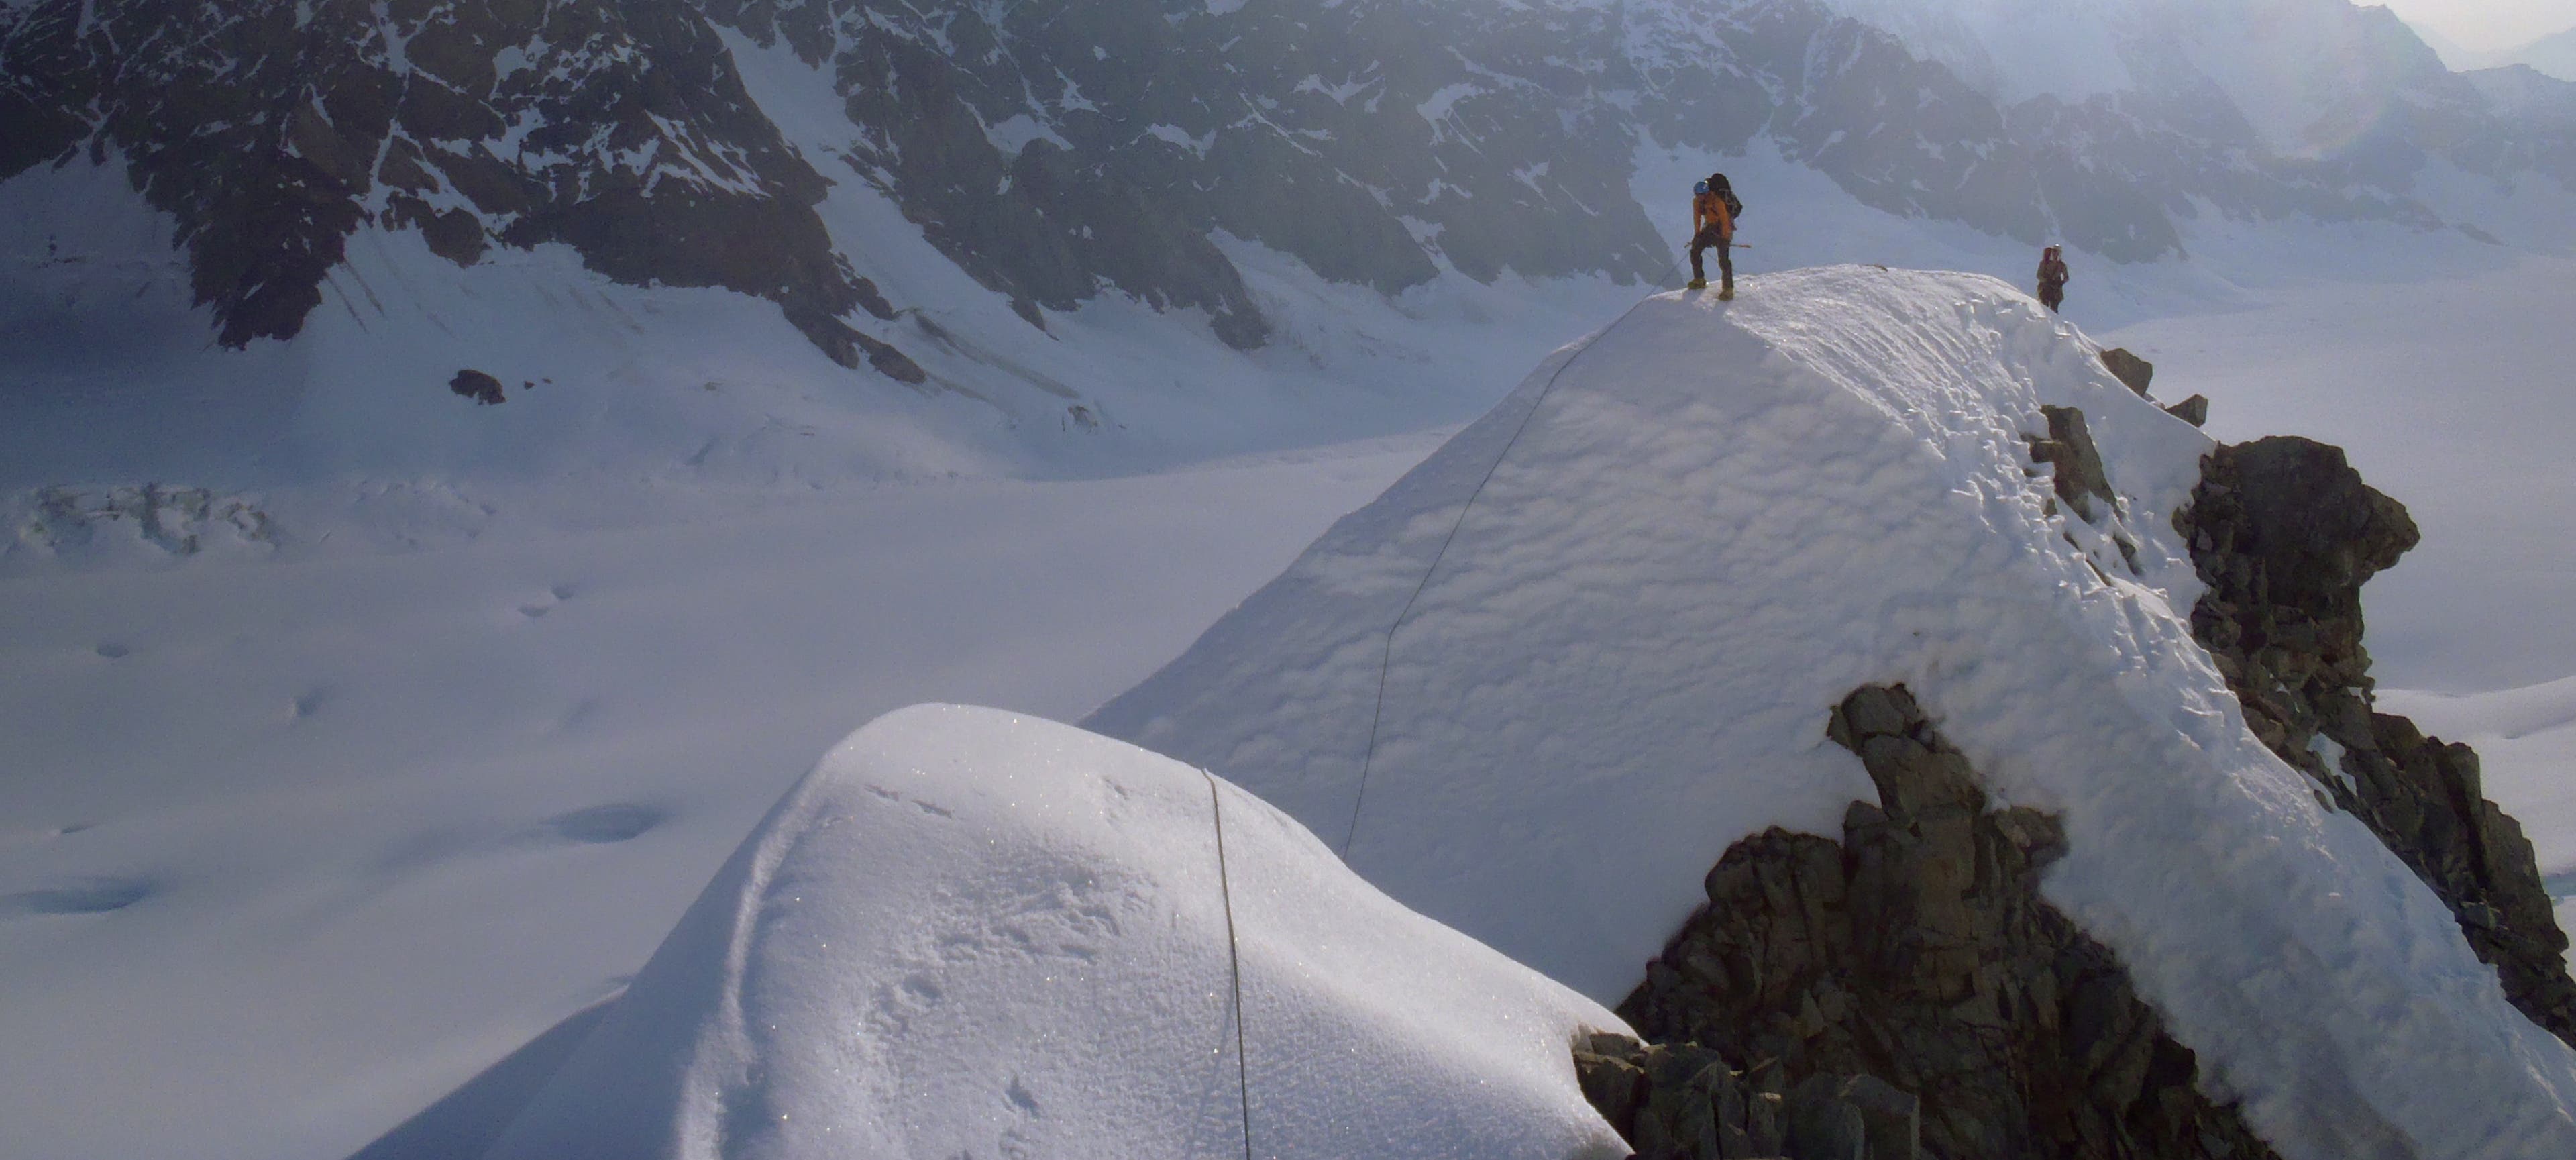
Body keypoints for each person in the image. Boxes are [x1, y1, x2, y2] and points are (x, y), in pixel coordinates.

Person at [1688, 173, 1736, 299]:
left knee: (1723, 260)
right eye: (1697, 195)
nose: (1698, 198)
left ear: (1706, 193)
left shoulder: (1717, 201)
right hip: (1710, 227)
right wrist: (1697, 234)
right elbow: (1697, 217)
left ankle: (1728, 289)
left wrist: (1725, 237)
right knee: (1695, 250)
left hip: (1722, 229)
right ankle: (1699, 279)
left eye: (1700, 195)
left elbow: (1725, 220)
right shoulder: (1697, 202)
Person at [2036, 245, 2069, 312]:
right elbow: (2039, 275)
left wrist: (2060, 283)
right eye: (2055, 251)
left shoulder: (2062, 265)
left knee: (2054, 308)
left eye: (2057, 252)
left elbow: (2066, 278)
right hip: (2045, 288)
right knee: (2044, 306)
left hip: (2055, 290)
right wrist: (2046, 281)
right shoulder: (2044, 263)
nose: (2056, 254)